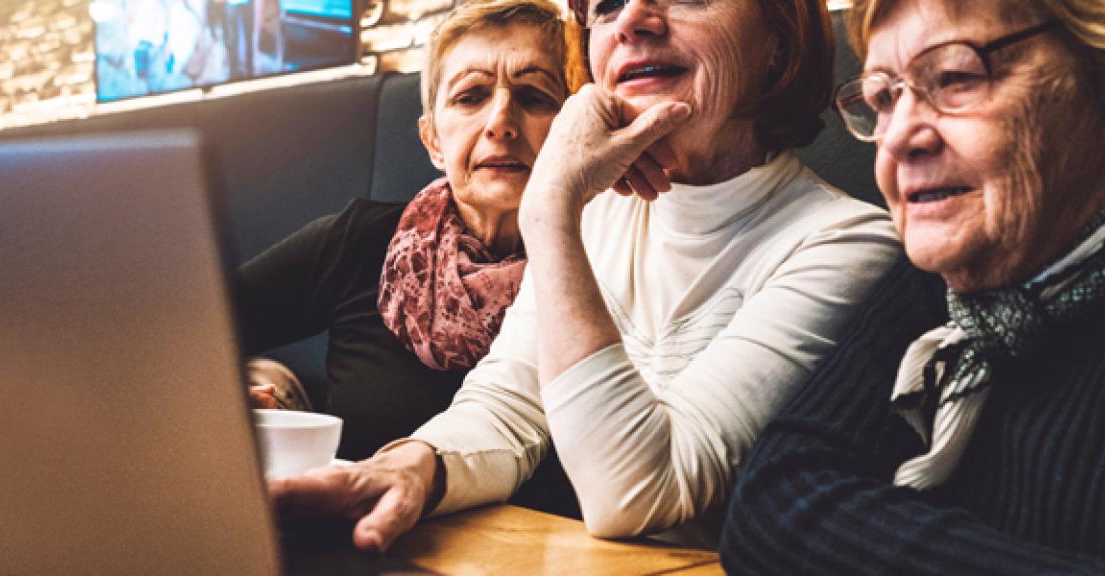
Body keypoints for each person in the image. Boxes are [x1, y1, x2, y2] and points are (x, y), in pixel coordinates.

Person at [720, 0, 1105, 573]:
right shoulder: (941, 280)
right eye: (885, 98)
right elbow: (775, 500)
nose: (899, 139)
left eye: (957, 78)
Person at [270, 0, 910, 551]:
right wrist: (413, 467)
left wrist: (551, 205)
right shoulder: (603, 217)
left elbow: (638, 490)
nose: (631, 15)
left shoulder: (848, 243)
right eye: (604, 3)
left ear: (779, 39)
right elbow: (505, 405)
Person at [234, 0, 577, 460]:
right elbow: (181, 332)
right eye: (470, 96)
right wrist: (251, 385)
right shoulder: (361, 241)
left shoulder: (615, 261)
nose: (500, 123)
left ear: (574, 125)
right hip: (364, 527)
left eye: (534, 96)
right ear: (432, 140)